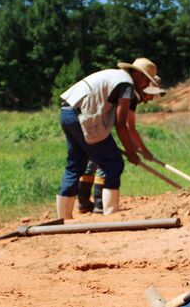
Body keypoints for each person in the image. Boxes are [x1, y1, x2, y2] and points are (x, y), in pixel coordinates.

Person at [57, 58, 165, 219]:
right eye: (144, 80)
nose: (144, 85)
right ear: (136, 74)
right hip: (81, 117)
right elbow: (120, 124)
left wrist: (133, 149)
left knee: (75, 165)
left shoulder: (116, 76)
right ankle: (110, 213)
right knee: (113, 163)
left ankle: (63, 218)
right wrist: (131, 153)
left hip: (67, 112)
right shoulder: (126, 84)